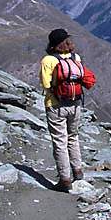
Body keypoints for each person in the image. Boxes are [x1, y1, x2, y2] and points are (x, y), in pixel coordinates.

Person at [39, 28, 94, 192]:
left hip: (55, 105)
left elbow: (46, 84)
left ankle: (64, 180)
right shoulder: (75, 57)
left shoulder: (48, 60)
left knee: (60, 142)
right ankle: (78, 171)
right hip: (75, 104)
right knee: (73, 137)